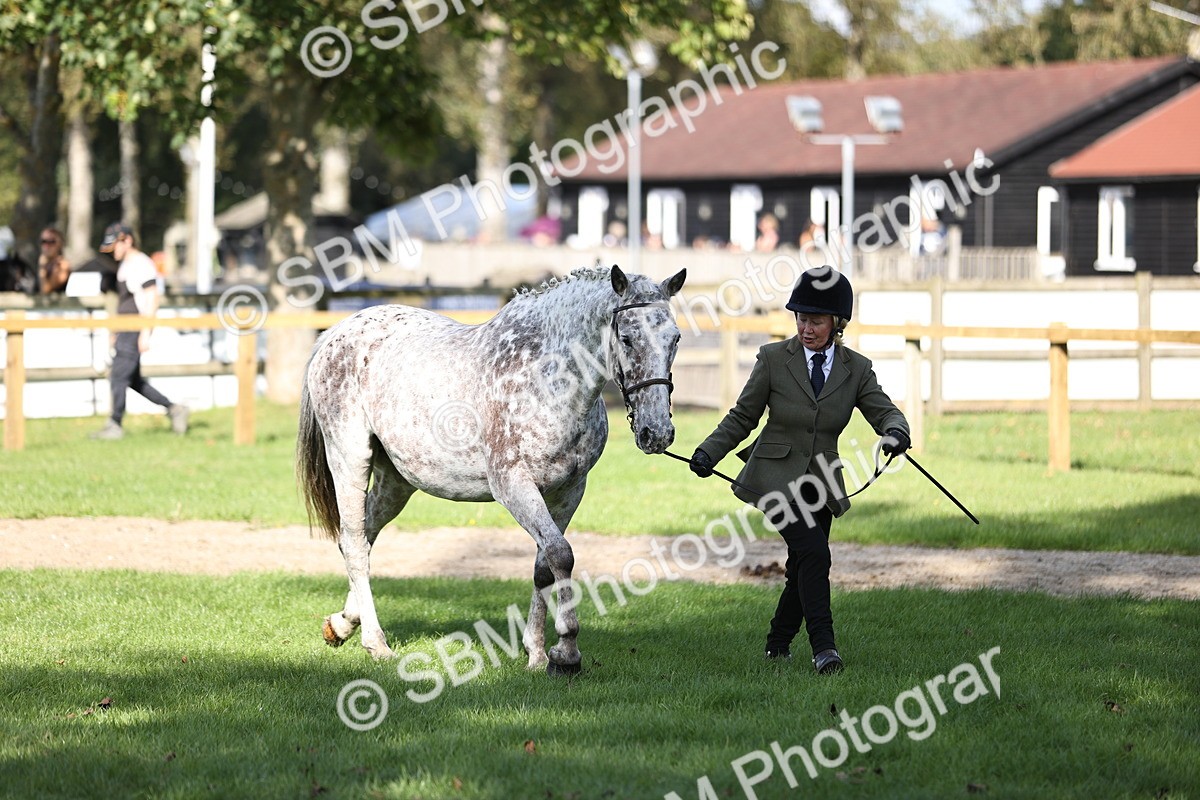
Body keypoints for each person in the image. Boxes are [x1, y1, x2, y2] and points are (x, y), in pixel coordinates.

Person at [689, 266, 910, 674]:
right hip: (774, 477)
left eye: (817, 320)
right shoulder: (773, 359)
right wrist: (708, 452)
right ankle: (825, 648)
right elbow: (742, 417)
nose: (806, 328)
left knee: (801, 565)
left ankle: (777, 644)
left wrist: (896, 432)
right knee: (814, 554)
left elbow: (885, 410)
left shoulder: (856, 369)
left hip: (822, 483)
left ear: (837, 323)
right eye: (801, 318)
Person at [90, 222, 189, 440]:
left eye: (115, 245)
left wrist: (146, 332)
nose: (113, 251)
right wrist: (114, 330)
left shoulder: (141, 264)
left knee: (118, 376)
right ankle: (174, 409)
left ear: (127, 240)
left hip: (134, 328)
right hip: (125, 328)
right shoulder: (126, 265)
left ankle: (114, 424)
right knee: (132, 380)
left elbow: (152, 298)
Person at [37, 227, 71, 295]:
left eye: (51, 242)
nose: (47, 246)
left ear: (59, 244)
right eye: (44, 241)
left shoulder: (62, 265)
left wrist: (42, 269)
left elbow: (46, 291)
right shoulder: (44, 263)